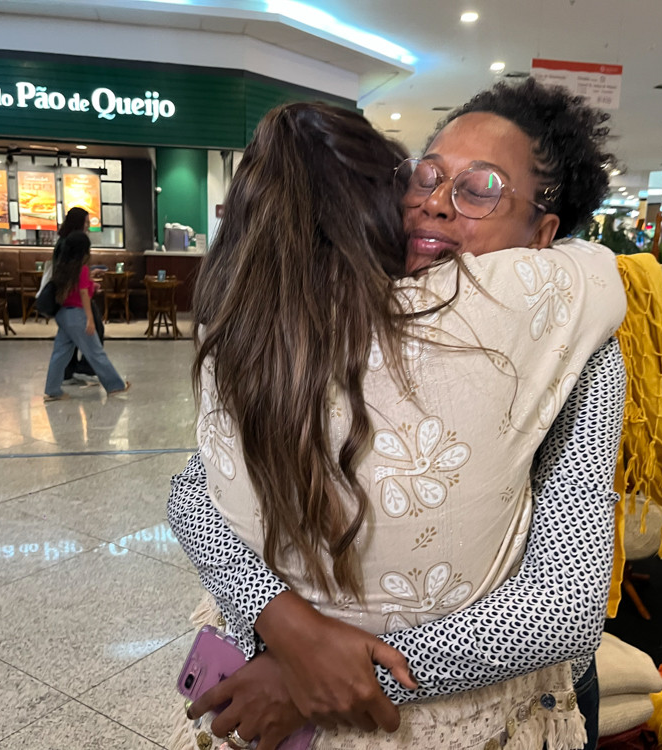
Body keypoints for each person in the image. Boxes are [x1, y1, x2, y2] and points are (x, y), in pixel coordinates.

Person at [169, 81, 626, 750]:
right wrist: (288, 627)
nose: (434, 202)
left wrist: (317, 676)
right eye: (427, 175)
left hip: (484, 708)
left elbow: (564, 602)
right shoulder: (333, 311)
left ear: (543, 232)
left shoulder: (573, 346)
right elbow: (196, 487)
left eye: (479, 189)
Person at [43, 231, 129, 400]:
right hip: (78, 316)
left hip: (63, 314)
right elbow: (83, 295)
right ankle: (115, 386)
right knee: (96, 352)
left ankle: (52, 390)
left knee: (60, 353)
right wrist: (90, 319)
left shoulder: (63, 267)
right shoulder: (81, 269)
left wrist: (91, 283)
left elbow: (75, 289)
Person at [53, 207, 105, 385]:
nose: (88, 226)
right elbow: (70, 272)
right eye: (86, 222)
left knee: (69, 337)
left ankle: (68, 372)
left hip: (70, 296)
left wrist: (89, 278)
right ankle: (84, 369)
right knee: (94, 328)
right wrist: (87, 283)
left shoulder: (66, 241)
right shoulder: (68, 243)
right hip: (74, 299)